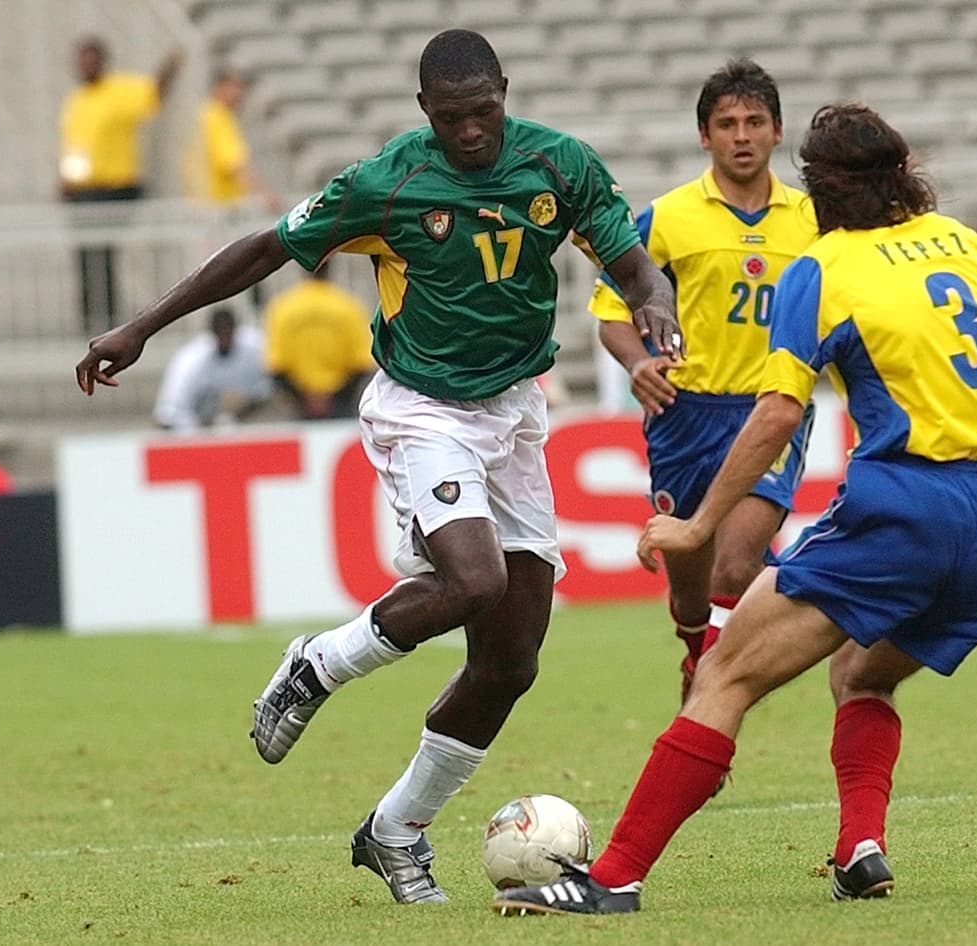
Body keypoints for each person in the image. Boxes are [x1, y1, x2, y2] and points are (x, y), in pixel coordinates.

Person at [75, 29, 680, 904]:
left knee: (510, 663)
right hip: (423, 408)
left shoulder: (560, 167)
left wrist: (656, 306)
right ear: (424, 110)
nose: (472, 132)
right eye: (453, 117)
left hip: (512, 414)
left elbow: (632, 265)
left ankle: (394, 833)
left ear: (504, 93)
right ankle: (318, 664)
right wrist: (142, 325)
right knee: (472, 580)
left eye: (485, 112)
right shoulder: (387, 184)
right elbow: (264, 249)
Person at [491, 103, 977, 916]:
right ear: (903, 171)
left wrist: (698, 524)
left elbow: (776, 413)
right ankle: (860, 849)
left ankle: (613, 878)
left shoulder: (822, 266)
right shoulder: (970, 246)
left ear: (819, 188)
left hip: (901, 511)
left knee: (724, 672)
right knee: (863, 676)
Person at [588, 59, 819, 704]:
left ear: (777, 132)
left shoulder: (813, 222)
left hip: (772, 407)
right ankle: (700, 657)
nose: (741, 135)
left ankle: (710, 705)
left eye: (754, 122)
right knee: (691, 591)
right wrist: (638, 362)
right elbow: (612, 313)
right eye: (726, 124)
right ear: (704, 136)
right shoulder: (666, 218)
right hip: (685, 415)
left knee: (739, 562)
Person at [60, 36, 183, 333]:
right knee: (86, 254)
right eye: (82, 59)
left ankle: (108, 318)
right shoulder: (77, 101)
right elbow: (74, 147)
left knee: (103, 252)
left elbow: (153, 93)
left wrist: (169, 66)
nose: (87, 65)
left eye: (92, 59)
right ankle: (90, 318)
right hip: (83, 190)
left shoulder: (119, 91)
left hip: (114, 187)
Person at [263, 267, 376, 420]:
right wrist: (333, 396)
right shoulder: (349, 306)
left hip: (300, 402)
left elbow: (276, 366)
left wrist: (306, 397)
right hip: (341, 400)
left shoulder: (283, 308)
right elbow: (362, 364)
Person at [152, 307, 272, 431]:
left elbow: (269, 390)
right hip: (196, 431)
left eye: (229, 331)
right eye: (221, 332)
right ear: (212, 333)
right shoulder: (191, 361)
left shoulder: (255, 348)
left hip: (249, 424)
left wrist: (236, 418)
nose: (225, 337)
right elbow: (166, 415)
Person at [187, 67, 284, 215]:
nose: (239, 93)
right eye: (234, 87)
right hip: (218, 208)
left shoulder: (206, 115)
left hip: (204, 205)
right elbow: (235, 163)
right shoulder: (218, 117)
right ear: (218, 88)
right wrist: (264, 195)